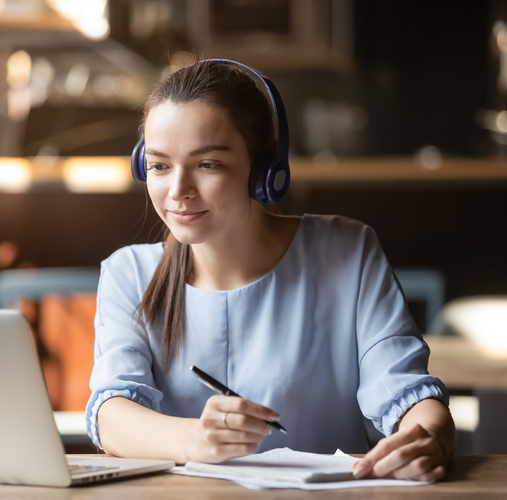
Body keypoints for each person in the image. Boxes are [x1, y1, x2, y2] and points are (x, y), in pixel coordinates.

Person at [85, 59, 455, 482]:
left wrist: (431, 436)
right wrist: (197, 440)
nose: (178, 191)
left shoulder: (347, 252)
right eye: (159, 165)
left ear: (264, 170)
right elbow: (112, 414)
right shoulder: (128, 273)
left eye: (208, 165)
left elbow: (405, 391)